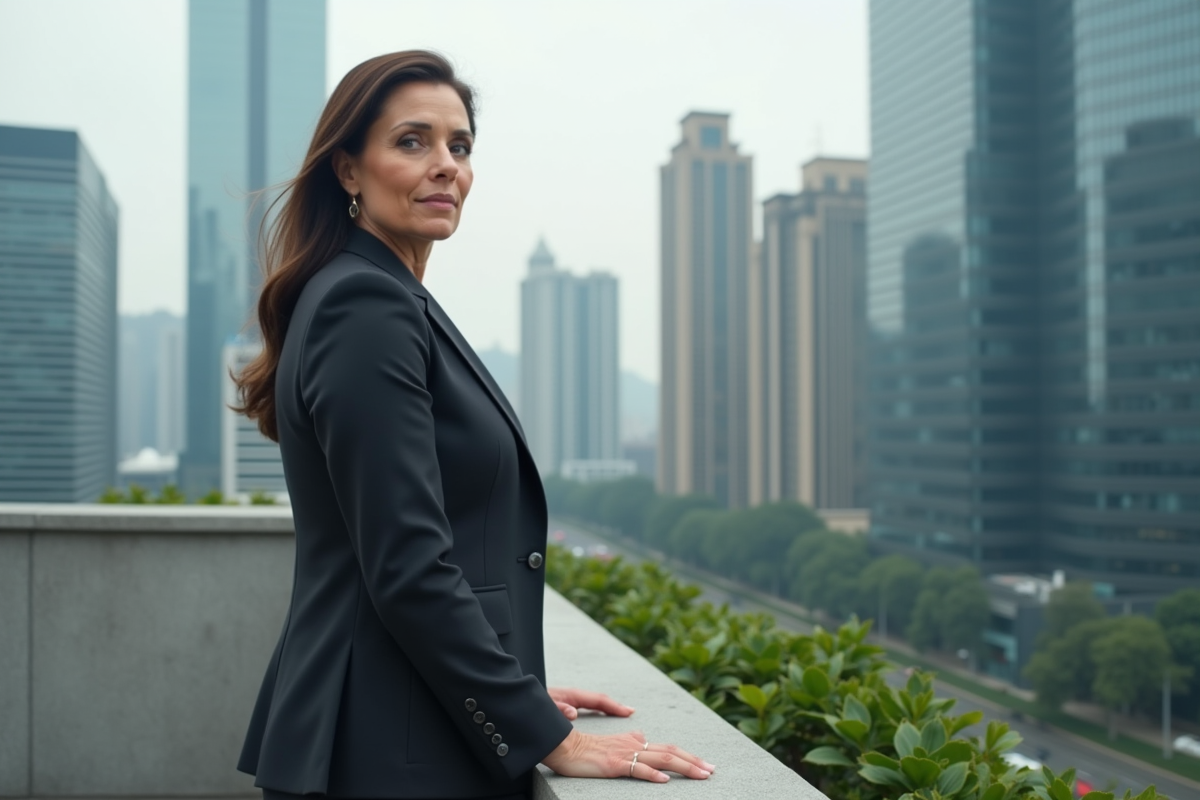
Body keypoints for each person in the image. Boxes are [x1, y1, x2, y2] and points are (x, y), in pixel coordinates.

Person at [232, 50, 714, 800]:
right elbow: (408, 565)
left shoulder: (383, 296)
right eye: (412, 141)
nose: (446, 165)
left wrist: (518, 695)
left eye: (460, 146)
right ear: (348, 170)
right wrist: (545, 733)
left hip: (404, 723)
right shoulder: (366, 305)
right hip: (385, 751)